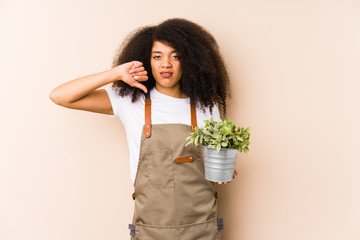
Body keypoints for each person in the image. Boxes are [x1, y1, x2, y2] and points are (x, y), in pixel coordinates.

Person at [50, 18, 237, 240]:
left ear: (191, 60)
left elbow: (218, 159)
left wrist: (225, 169)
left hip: (202, 228)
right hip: (150, 229)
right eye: (157, 56)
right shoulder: (130, 100)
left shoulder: (207, 106)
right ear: (146, 61)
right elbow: (60, 96)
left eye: (175, 56)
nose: (166, 64)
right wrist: (116, 73)